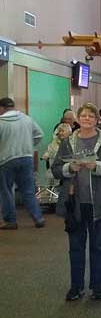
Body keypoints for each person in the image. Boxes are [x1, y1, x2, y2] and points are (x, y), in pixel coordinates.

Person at [52, 102, 101, 301]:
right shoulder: (67, 143)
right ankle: (76, 287)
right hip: (74, 204)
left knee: (98, 247)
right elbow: (56, 169)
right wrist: (69, 169)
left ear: (97, 120)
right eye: (83, 116)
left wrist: (98, 167)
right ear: (78, 119)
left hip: (98, 204)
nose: (87, 119)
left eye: (91, 116)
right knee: (75, 247)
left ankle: (97, 287)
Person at [0, 97, 45, 229]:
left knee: (6, 191)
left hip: (6, 160)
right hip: (26, 158)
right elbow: (39, 135)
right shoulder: (26, 119)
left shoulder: (1, 123)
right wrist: (29, 146)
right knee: (28, 190)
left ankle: (11, 221)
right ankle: (38, 217)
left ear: (2, 108)